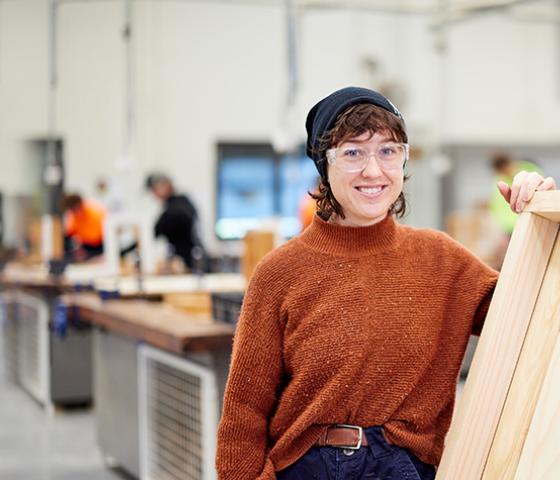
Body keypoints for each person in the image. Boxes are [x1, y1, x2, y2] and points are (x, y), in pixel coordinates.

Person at [215, 87, 556, 480]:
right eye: (353, 152)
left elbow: (537, 314)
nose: (373, 170)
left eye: (388, 151)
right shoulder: (280, 272)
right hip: (307, 466)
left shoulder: (441, 260)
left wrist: (543, 220)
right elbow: (244, 410)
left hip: (402, 467)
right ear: (324, 167)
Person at [145, 173, 206, 272]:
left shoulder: (176, 208)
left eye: (154, 190)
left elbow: (155, 231)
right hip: (191, 258)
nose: (153, 194)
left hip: (188, 263)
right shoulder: (182, 203)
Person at [62, 193, 106, 261]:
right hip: (87, 247)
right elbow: (70, 233)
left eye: (76, 209)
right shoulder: (74, 218)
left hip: (102, 244)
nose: (76, 212)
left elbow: (98, 235)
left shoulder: (95, 213)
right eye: (72, 210)